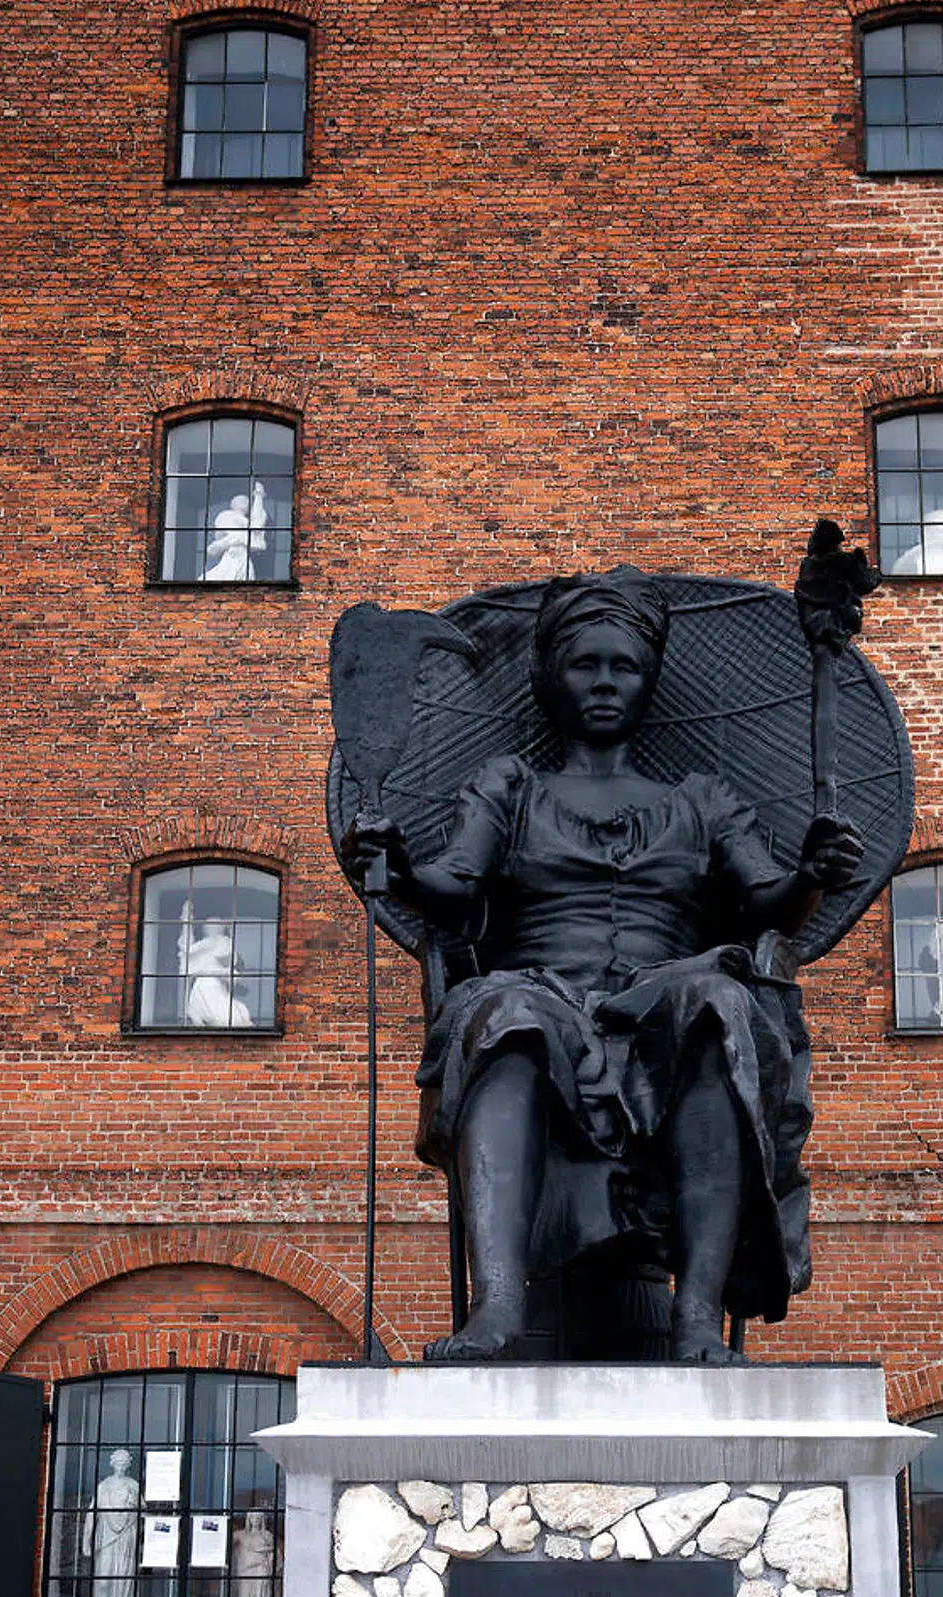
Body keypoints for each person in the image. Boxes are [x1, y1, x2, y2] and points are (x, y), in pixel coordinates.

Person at [344, 566, 862, 1364]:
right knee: (503, 1016)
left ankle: (696, 1318)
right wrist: (400, 866)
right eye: (586, 664)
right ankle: (498, 1307)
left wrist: (813, 873)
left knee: (719, 1006)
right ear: (552, 676)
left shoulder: (701, 800)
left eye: (624, 666)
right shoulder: (509, 788)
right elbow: (453, 885)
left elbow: (771, 903)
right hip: (542, 990)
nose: (606, 682)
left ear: (649, 678)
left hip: (665, 1003)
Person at [81, 1447, 140, 1597]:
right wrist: (86, 1540)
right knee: (103, 1581)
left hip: (125, 1539)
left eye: (124, 1463)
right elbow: (92, 1513)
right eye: (118, 1463)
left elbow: (143, 1514)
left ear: (128, 1465)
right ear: (112, 1464)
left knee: (123, 1581)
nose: (120, 1467)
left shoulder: (133, 1485)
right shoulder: (104, 1486)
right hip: (106, 1538)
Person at [179, 900, 253, 1028]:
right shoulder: (210, 942)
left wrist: (187, 922)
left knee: (225, 1018)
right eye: (209, 926)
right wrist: (186, 922)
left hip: (213, 984)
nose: (211, 928)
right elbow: (187, 949)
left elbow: (228, 961)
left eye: (214, 925)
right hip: (205, 985)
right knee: (223, 1018)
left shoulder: (221, 942)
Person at [202, 480, 267, 582]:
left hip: (242, 558)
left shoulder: (245, 525)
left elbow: (257, 528)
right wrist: (229, 542)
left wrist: (259, 497)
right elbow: (216, 544)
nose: (245, 503)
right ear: (233, 504)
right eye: (241, 501)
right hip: (231, 556)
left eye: (246, 501)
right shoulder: (226, 516)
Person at [231, 1510, 276, 1597]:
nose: (255, 1521)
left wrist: (267, 1558)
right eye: (253, 1518)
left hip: (261, 1569)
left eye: (258, 1518)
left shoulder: (267, 1535)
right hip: (247, 1569)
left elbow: (273, 1554)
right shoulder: (242, 1535)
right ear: (248, 1520)